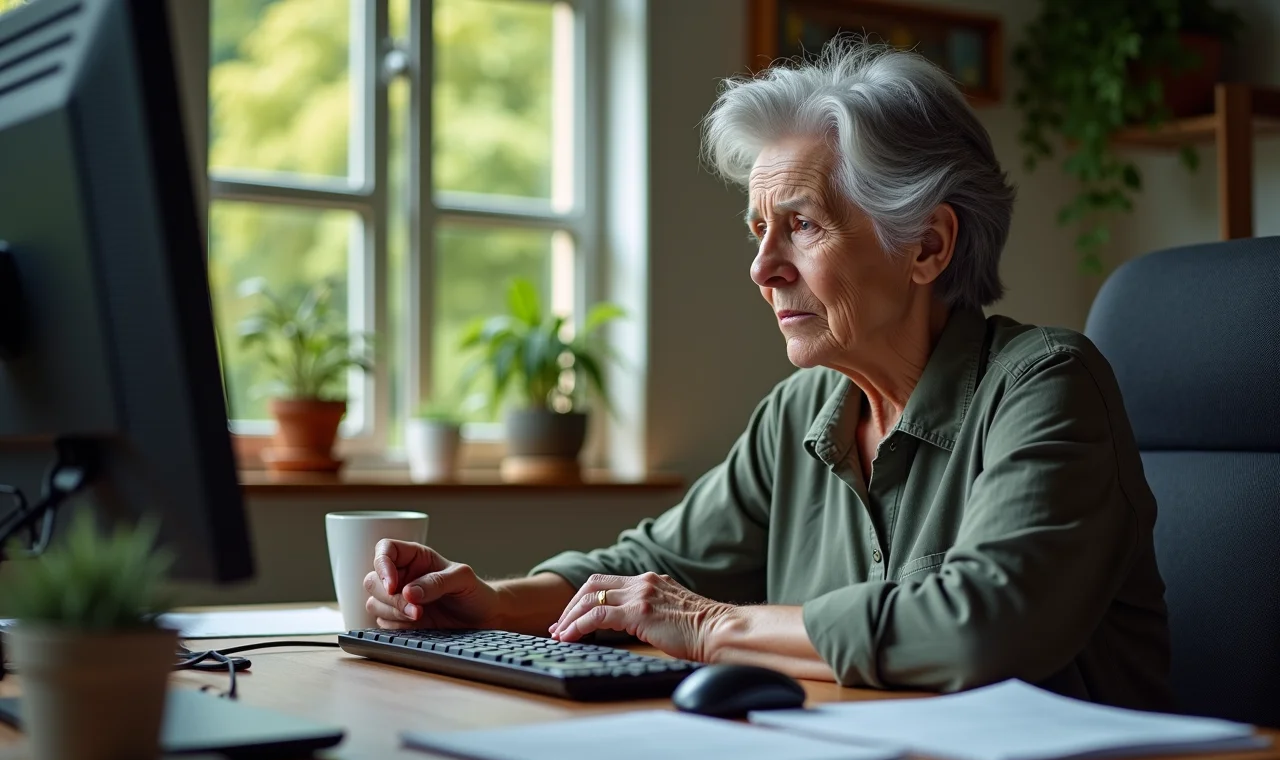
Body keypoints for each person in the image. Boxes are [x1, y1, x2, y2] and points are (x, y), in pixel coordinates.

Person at [365, 40, 1174, 710]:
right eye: (759, 230)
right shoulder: (805, 411)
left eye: (803, 225)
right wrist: (495, 602)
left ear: (927, 246)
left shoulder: (1046, 385)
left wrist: (715, 626)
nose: (762, 268)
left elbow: (980, 627)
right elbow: (654, 566)